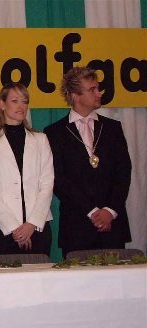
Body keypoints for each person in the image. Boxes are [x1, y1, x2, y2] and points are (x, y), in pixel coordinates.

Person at [44, 66, 131, 256]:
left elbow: (123, 172)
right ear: (75, 95)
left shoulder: (113, 128)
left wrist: (109, 211)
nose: (99, 93)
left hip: (112, 224)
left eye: (98, 88)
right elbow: (58, 178)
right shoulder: (54, 133)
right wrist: (92, 212)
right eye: (92, 90)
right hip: (77, 226)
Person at [0, 83, 54, 256]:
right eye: (15, 101)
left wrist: (31, 224)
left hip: (38, 228)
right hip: (1, 229)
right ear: (2, 104)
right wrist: (14, 228)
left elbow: (47, 183)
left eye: (24, 101)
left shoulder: (41, 140)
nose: (21, 106)